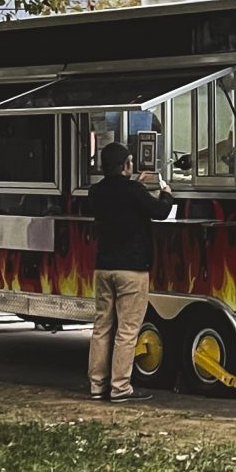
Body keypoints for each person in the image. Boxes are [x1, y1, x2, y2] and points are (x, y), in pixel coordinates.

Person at [86, 140, 162, 400]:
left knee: (102, 327)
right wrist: (167, 192)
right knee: (127, 330)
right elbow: (160, 211)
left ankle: (97, 386)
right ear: (125, 165)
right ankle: (120, 387)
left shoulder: (96, 192)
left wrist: (135, 184)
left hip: (104, 268)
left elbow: (118, 197)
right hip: (132, 269)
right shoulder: (134, 191)